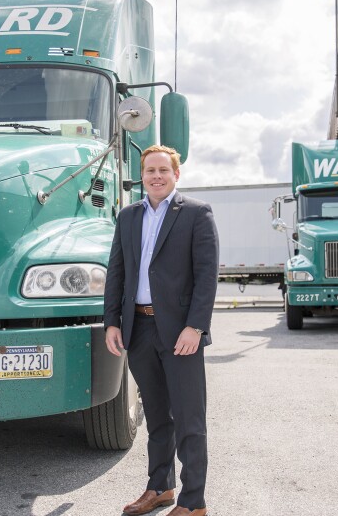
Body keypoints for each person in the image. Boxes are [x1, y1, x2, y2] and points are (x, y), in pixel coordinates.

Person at [104, 145, 219, 516]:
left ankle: (193, 502)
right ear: (142, 175)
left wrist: (196, 327)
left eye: (163, 171)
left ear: (176, 175)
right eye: (150, 170)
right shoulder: (128, 216)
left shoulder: (197, 214)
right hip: (138, 329)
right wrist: (111, 322)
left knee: (189, 419)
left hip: (180, 333)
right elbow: (117, 273)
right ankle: (160, 488)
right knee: (156, 417)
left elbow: (206, 277)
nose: (156, 176)